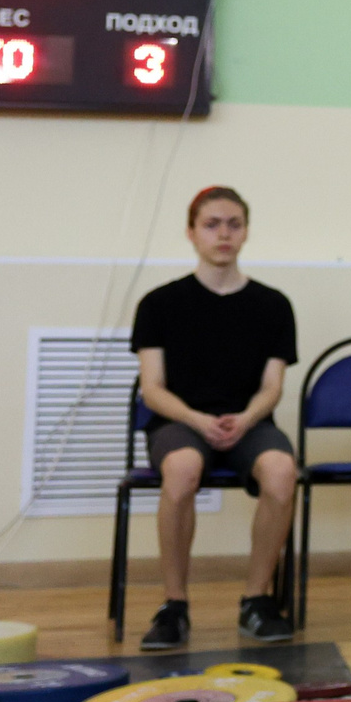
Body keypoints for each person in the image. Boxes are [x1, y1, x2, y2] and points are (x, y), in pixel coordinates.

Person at [130, 186, 300, 650]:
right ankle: (174, 605)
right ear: (191, 233)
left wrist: (245, 419)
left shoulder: (273, 305)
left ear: (245, 232)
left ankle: (257, 600)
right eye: (211, 225)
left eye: (233, 224)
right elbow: (153, 389)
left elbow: (272, 386)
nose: (223, 234)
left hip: (249, 423)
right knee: (183, 467)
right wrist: (197, 419)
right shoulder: (159, 304)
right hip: (180, 422)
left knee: (282, 470)